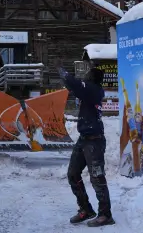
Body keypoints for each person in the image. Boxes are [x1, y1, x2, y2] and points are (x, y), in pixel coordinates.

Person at [58, 65, 115, 227]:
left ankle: (105, 214)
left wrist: (65, 74)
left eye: (88, 74)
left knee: (97, 177)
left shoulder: (94, 90)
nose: (85, 76)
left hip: (94, 142)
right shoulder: (88, 91)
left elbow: (76, 84)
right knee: (73, 174)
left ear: (92, 78)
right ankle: (86, 209)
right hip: (84, 139)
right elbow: (75, 87)